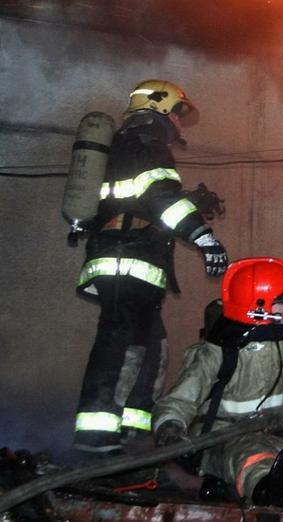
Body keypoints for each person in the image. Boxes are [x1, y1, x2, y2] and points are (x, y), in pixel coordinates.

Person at [73, 79, 229, 454]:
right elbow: (162, 201)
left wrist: (189, 204)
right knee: (121, 342)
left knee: (151, 346)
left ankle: (133, 435)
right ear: (162, 109)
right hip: (126, 261)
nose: (179, 124)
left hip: (129, 258)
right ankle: (97, 437)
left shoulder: (128, 145)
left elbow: (139, 203)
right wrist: (204, 239)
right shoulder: (147, 144)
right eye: (177, 114)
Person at [152, 257, 283, 510]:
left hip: (279, 437)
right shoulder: (218, 350)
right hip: (225, 441)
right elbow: (180, 399)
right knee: (261, 471)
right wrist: (169, 427)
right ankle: (274, 500)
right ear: (257, 305)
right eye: (282, 301)